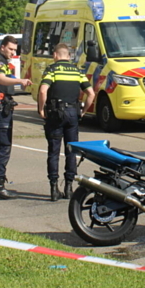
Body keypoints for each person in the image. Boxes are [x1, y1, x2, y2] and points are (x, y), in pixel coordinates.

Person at [37, 43, 95, 201]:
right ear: (68, 56)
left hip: (55, 113)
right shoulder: (77, 71)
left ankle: (54, 188)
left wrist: (41, 109)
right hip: (73, 113)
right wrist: (83, 111)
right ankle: (69, 187)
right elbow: (90, 93)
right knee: (71, 151)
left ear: (55, 55)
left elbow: (43, 90)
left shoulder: (52, 70)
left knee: (54, 151)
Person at [0, 34, 32, 200]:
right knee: (2, 147)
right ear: (2, 46)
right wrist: (20, 81)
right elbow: (1, 79)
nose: (12, 52)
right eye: (10, 49)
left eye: (15, 50)